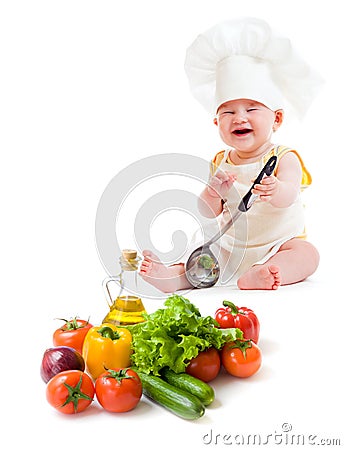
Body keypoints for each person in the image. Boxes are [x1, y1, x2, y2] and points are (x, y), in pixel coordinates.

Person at [139, 18, 323, 292]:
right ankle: (172, 277)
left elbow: (290, 196)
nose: (239, 118)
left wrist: (277, 188)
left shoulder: (284, 157)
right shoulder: (220, 162)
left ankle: (264, 273)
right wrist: (213, 192)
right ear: (216, 123)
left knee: (307, 254)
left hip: (277, 243)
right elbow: (206, 211)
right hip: (230, 246)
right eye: (228, 112)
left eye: (251, 109)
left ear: (277, 119)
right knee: (202, 259)